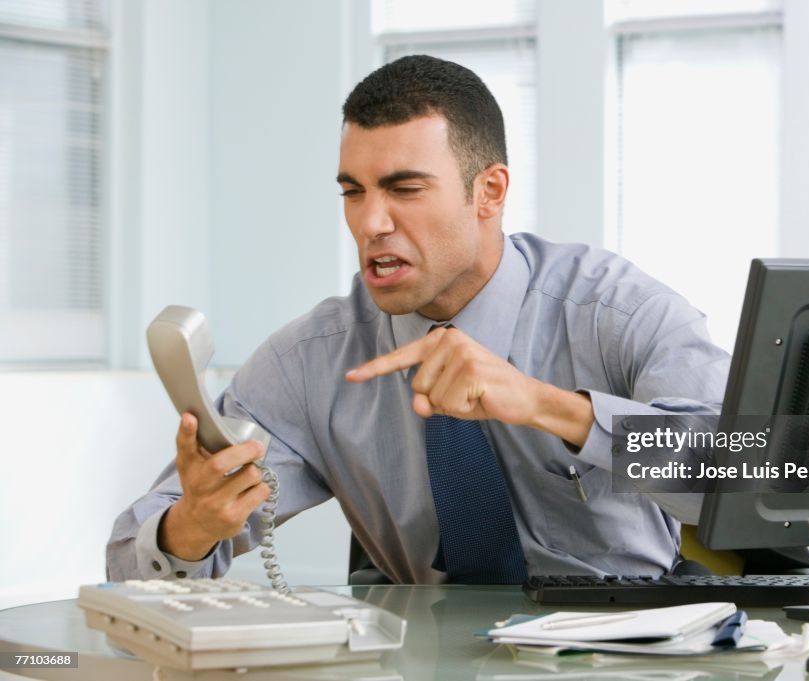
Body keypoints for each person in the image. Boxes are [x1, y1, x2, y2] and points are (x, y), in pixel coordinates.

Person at [107, 55, 731, 585]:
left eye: (405, 190)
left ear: (489, 192)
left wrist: (551, 407)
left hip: (632, 653)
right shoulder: (313, 359)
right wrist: (191, 527)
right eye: (354, 191)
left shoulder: (612, 311)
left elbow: (780, 469)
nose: (371, 223)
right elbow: (127, 560)